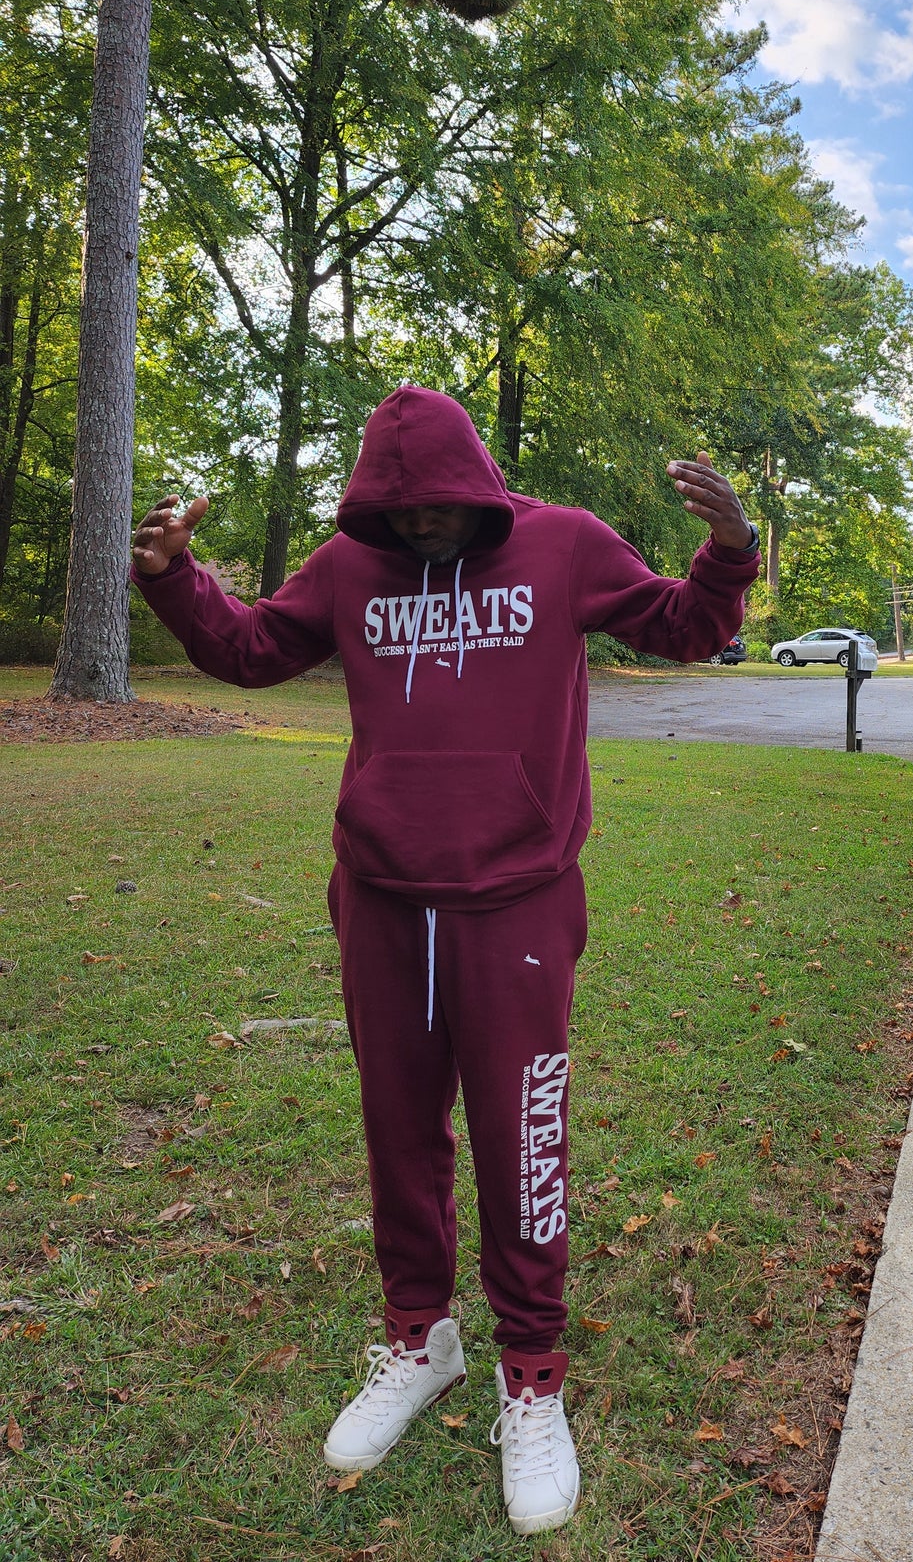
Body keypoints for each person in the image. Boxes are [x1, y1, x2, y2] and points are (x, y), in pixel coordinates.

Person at [130, 386, 758, 1535]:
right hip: (380, 900)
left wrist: (727, 553)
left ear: (475, 485)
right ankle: (420, 1339)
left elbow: (681, 626)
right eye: (399, 512)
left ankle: (531, 1371)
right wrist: (177, 577)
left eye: (439, 511)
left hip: (512, 901)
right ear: (373, 501)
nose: (421, 529)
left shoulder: (561, 543)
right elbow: (257, 647)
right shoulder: (345, 566)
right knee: (398, 1130)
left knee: (522, 1135)